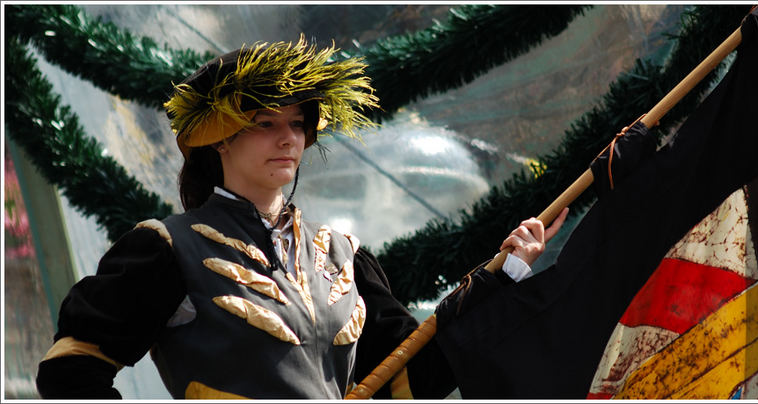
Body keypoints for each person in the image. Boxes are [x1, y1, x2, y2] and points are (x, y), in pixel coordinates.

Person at [35, 37, 568, 399]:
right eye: (264, 122)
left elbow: (413, 380)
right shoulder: (164, 248)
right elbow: (70, 371)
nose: (288, 137)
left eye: (298, 122)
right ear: (218, 138)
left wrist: (507, 273)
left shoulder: (344, 254)